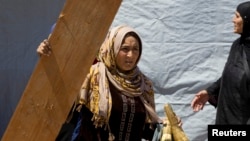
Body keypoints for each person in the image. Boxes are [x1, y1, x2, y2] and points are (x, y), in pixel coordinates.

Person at [37, 25, 182, 141]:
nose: (131, 55)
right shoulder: (94, 76)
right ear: (112, 47)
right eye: (124, 49)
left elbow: (143, 129)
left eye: (135, 49)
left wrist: (164, 125)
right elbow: (59, 91)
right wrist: (48, 61)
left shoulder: (143, 85)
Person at [191, 1, 250, 124]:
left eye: (237, 16)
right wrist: (209, 92)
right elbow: (230, 74)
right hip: (225, 117)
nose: (233, 20)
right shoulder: (237, 45)